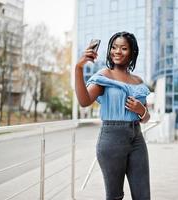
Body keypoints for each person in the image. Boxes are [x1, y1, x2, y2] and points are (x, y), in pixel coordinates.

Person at [75, 31, 151, 200]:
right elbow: (84, 100)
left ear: (132, 53)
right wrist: (78, 68)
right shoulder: (104, 75)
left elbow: (146, 118)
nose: (117, 51)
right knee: (115, 196)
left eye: (123, 48)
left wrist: (141, 110)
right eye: (114, 47)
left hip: (137, 138)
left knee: (143, 195)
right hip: (112, 139)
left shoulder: (138, 81)